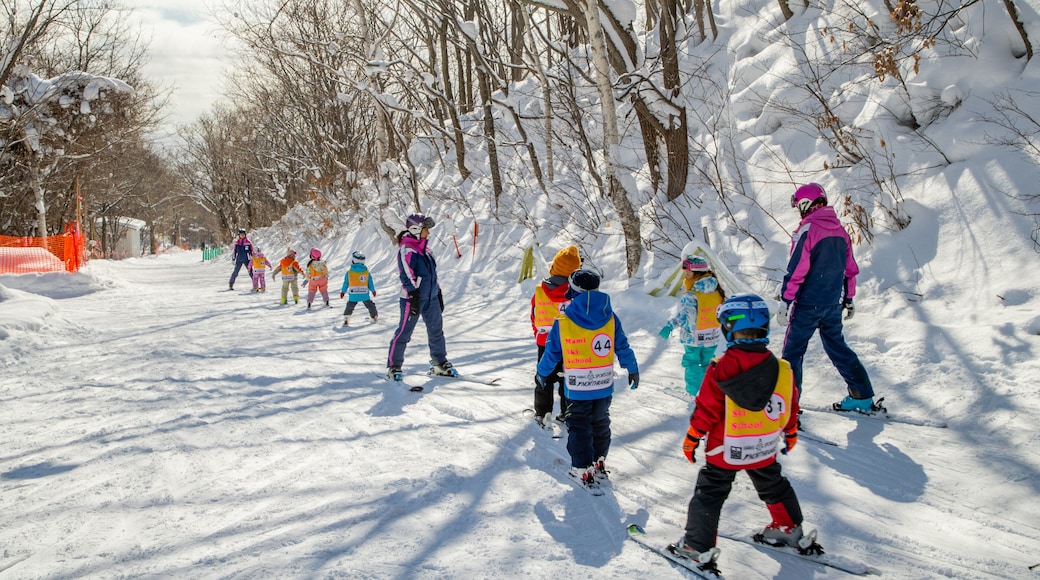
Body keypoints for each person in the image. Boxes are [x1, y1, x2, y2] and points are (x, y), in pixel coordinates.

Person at [673, 294, 816, 574]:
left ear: (728, 329)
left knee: (710, 493)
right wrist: (791, 432)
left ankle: (696, 546)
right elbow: (789, 404)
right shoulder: (783, 369)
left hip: (725, 450)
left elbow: (707, 410)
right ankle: (787, 528)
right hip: (762, 448)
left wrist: (692, 437)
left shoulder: (719, 368)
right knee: (774, 485)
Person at [777, 183, 877, 413]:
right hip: (832, 304)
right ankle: (861, 396)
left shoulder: (808, 230)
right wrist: (849, 298)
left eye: (799, 206)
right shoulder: (841, 231)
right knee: (837, 347)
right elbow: (850, 269)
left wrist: (785, 300)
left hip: (807, 305)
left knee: (792, 353)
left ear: (805, 204)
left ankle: (789, 409)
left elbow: (797, 269)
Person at [535, 269, 639, 493]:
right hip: (603, 384)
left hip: (577, 386)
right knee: (600, 421)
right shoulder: (610, 317)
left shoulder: (563, 321)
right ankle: (599, 459)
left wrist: (542, 374)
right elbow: (622, 345)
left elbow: (551, 354)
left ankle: (581, 467)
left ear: (573, 291)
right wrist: (632, 367)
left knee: (579, 425)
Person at [386, 214, 455, 381]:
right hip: (412, 299)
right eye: (426, 229)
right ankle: (394, 366)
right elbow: (406, 273)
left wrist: (438, 292)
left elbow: (432, 274)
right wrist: (413, 295)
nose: (428, 233)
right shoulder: (407, 249)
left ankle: (439, 362)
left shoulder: (426, 250)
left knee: (436, 330)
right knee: (404, 332)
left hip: (430, 297)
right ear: (415, 230)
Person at [659, 255, 726, 399]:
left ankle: (692, 392)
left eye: (688, 273)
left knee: (692, 363)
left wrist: (670, 326)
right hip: (712, 336)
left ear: (696, 274)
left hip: (693, 337)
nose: (685, 275)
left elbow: (684, 316)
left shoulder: (691, 295)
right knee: (708, 363)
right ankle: (710, 391)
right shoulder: (717, 291)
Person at [529, 245, 581, 427]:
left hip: (545, 342)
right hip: (570, 344)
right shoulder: (577, 295)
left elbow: (534, 315)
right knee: (568, 378)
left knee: (543, 377)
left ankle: (542, 413)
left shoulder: (540, 291)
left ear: (553, 268)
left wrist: (539, 335)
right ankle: (568, 413)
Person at [341, 251, 378, 326]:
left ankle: (346, 318)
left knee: (350, 306)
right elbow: (370, 282)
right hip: (364, 293)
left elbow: (346, 283)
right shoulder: (366, 272)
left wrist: (343, 292)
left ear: (353, 261)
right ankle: (374, 316)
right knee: (370, 305)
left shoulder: (349, 272)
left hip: (353, 294)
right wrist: (373, 290)